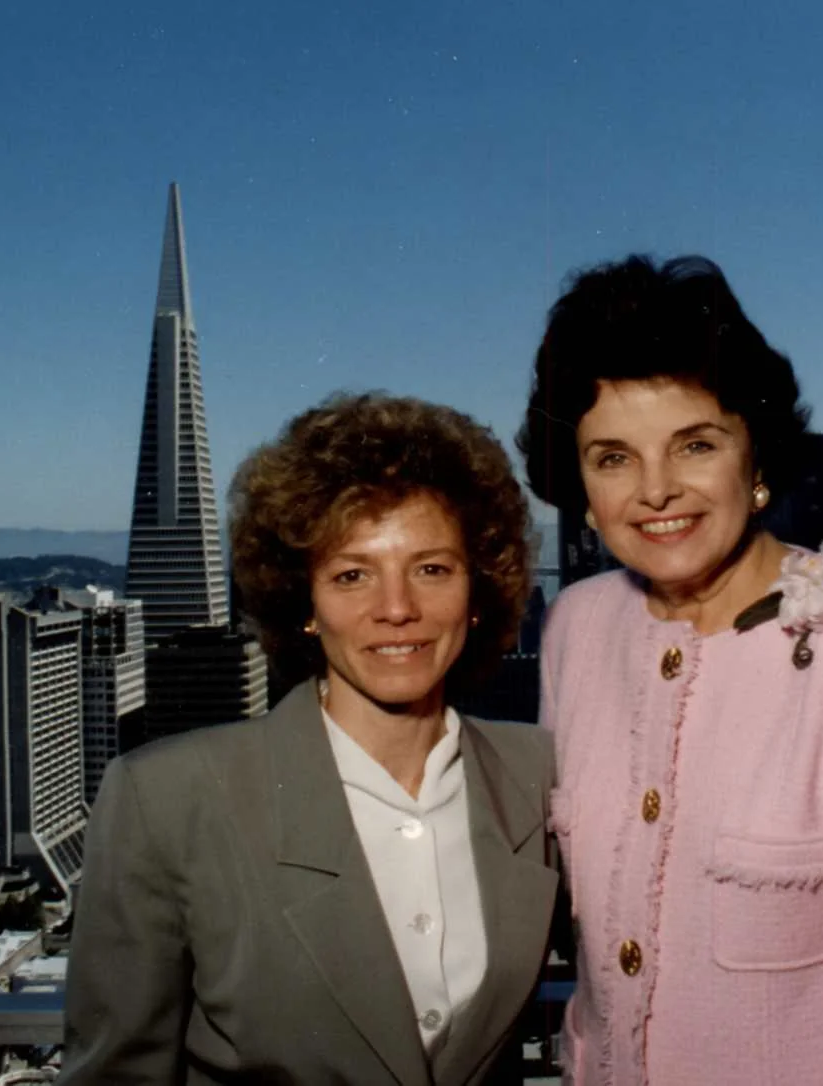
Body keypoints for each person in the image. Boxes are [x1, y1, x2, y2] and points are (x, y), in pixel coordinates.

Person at [518, 255, 823, 1085]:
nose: (655, 490)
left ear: (756, 460)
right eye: (612, 457)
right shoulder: (578, 626)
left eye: (695, 444)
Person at [62, 393, 560, 1085]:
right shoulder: (167, 800)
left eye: (432, 568)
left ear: (478, 594)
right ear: (304, 602)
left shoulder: (536, 775)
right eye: (352, 574)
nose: (396, 608)